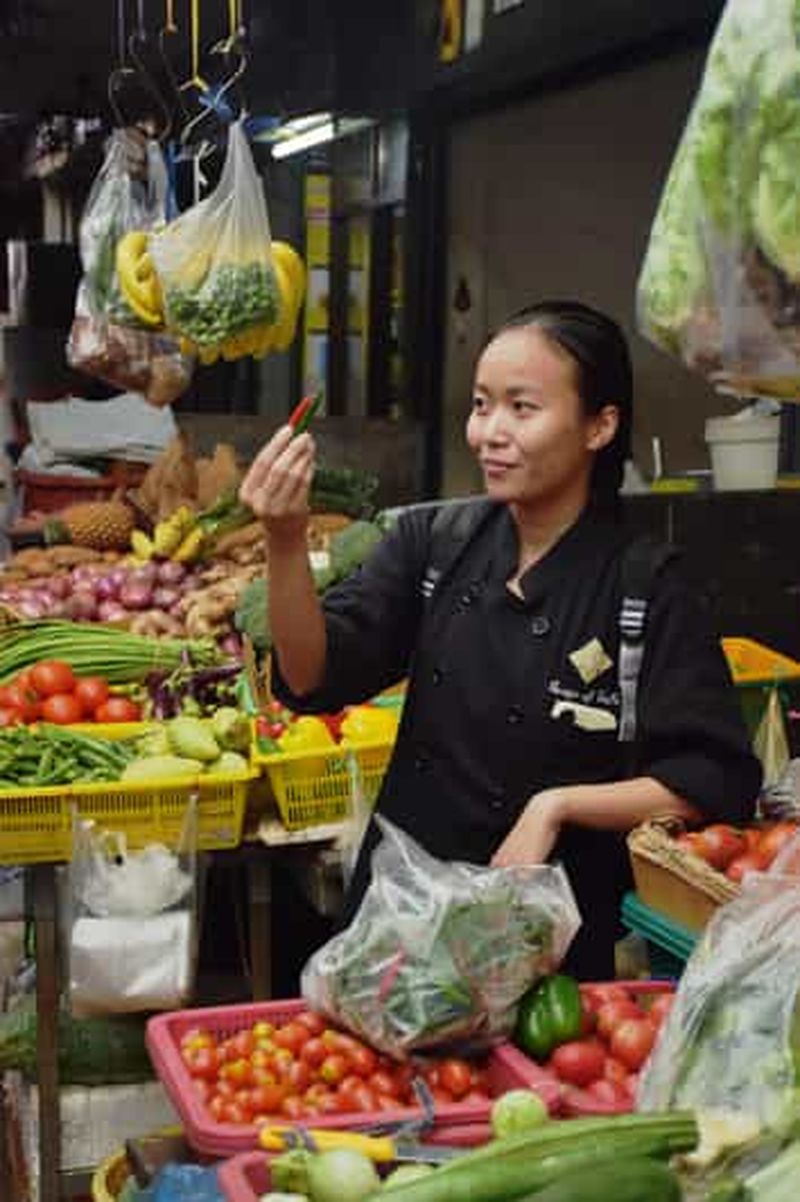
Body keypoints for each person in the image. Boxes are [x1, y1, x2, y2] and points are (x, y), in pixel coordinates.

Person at [240, 300, 761, 979]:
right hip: (398, 933)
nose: (489, 432)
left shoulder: (645, 588)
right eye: (483, 404)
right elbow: (311, 677)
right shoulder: (433, 545)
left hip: (553, 960)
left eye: (523, 408)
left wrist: (557, 806)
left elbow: (713, 778)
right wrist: (283, 540)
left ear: (600, 426)